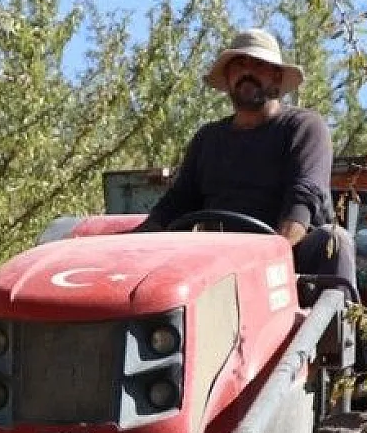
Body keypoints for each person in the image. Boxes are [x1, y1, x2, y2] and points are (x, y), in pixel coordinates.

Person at [136, 28, 355, 287]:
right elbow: (176, 203)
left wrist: (266, 263)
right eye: (239, 64)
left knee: (333, 241)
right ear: (228, 78)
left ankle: (331, 323)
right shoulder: (208, 139)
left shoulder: (303, 127)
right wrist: (135, 245)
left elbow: (303, 201)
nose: (247, 71)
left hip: (289, 263)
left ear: (276, 78)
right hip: (218, 264)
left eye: (259, 65)